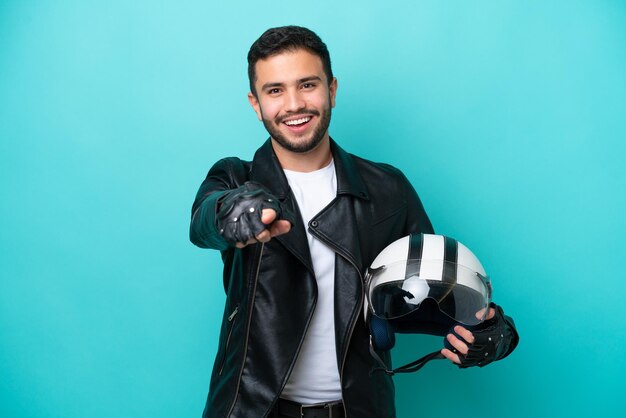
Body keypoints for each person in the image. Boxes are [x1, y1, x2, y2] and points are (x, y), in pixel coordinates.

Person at [190, 25, 518, 418]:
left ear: (331, 89)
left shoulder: (386, 188)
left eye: (307, 84)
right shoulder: (236, 179)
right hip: (251, 410)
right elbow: (204, 221)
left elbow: (430, 292)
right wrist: (232, 212)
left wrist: (493, 332)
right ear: (255, 103)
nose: (294, 104)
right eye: (275, 90)